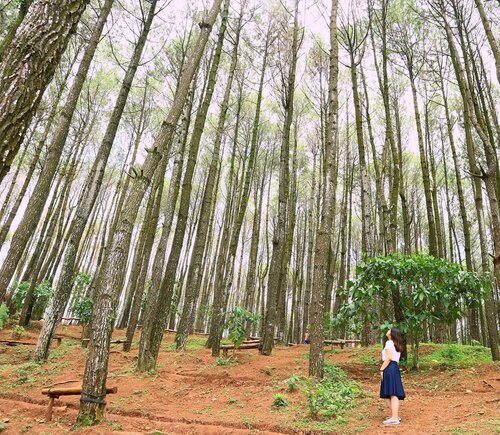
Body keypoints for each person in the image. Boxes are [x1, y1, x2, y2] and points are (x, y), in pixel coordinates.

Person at [380, 327, 405, 425]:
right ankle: (395, 415)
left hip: (389, 367)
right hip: (393, 368)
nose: (388, 330)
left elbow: (389, 357)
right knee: (387, 393)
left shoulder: (389, 343)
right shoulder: (395, 343)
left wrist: (382, 369)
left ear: (392, 333)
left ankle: (394, 418)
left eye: (389, 330)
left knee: (392, 393)